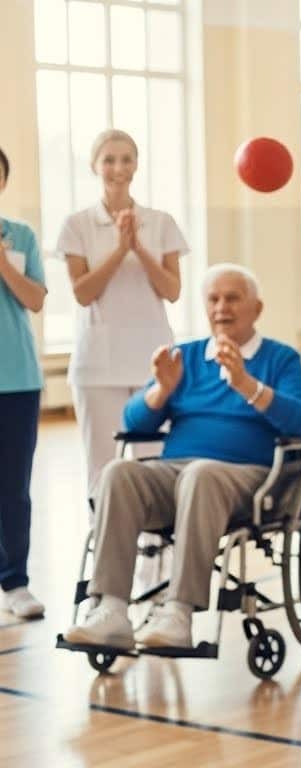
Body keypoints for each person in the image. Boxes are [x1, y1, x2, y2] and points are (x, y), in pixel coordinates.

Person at [63, 265, 301, 649]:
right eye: (213, 299)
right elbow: (133, 422)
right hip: (177, 473)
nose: (221, 307)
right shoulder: (187, 357)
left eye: (232, 298)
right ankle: (111, 609)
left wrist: (247, 385)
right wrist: (161, 390)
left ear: (257, 309)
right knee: (118, 472)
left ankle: (179, 612)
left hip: (250, 477)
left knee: (202, 474)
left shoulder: (280, 359)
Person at [58, 129, 188, 496]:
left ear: (136, 165)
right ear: (94, 166)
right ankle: (103, 530)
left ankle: (157, 532)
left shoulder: (161, 222)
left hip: (153, 359)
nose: (118, 168)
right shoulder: (77, 224)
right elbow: (83, 293)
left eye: (126, 159)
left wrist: (138, 249)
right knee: (103, 466)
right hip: (98, 364)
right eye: (109, 160)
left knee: (155, 463)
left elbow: (172, 291)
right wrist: (119, 249)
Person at [0, 147, 48, 619]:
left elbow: (34, 299)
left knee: (13, 487)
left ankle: (15, 581)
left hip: (16, 380)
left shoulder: (21, 236)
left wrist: (3, 263)